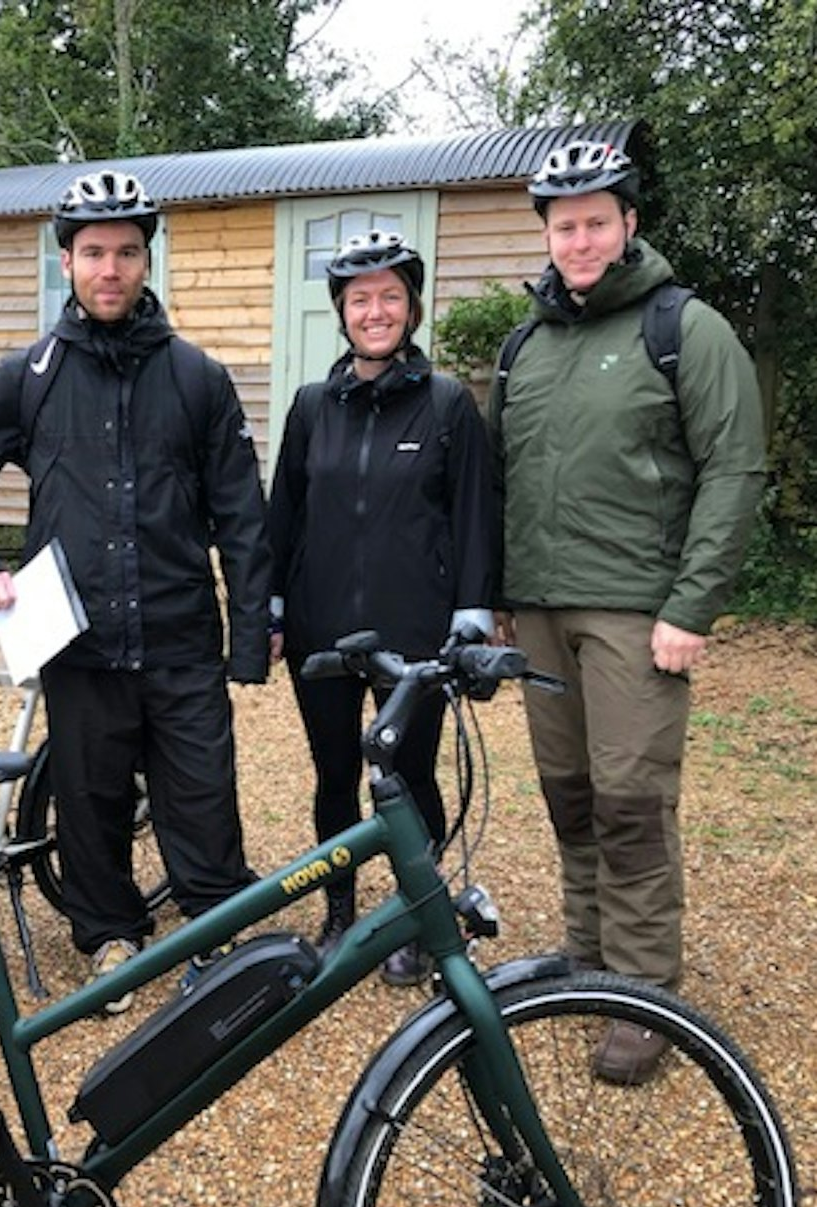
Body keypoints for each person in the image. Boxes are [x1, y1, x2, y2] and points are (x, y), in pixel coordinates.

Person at [0, 169, 271, 1013]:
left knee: (201, 793)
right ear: (67, 262)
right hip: (75, 638)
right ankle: (110, 933)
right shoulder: (29, 374)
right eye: (92, 253)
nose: (109, 269)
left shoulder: (197, 378)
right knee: (91, 795)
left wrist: (250, 634)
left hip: (181, 632)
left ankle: (212, 931)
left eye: (125, 253)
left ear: (146, 262)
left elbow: (242, 516)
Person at [490, 140, 766, 1081]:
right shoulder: (525, 344)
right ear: (547, 234)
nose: (579, 239)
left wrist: (692, 604)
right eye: (563, 225)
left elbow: (734, 470)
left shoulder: (685, 329)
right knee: (569, 792)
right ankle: (589, 953)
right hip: (537, 609)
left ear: (629, 224)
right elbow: (505, 476)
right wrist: (497, 595)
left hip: (637, 612)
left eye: (596, 221)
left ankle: (645, 990)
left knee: (632, 801)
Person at [268, 230, 497, 984]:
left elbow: (472, 515)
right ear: (342, 311)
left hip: (415, 626)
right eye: (360, 299)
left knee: (407, 773)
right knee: (335, 775)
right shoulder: (310, 407)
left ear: (412, 307)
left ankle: (413, 917)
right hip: (321, 624)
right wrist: (272, 604)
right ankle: (339, 911)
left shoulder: (446, 405)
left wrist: (473, 610)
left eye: (390, 297)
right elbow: (284, 514)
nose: (376, 311)